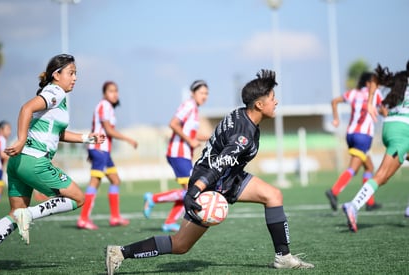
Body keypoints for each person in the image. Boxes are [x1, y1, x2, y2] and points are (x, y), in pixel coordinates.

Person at [105, 69, 314, 274]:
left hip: (228, 177)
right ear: (259, 104)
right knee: (180, 245)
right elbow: (220, 164)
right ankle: (120, 252)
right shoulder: (244, 135)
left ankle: (283, 257)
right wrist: (195, 191)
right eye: (272, 98)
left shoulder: (243, 115)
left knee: (273, 195)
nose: (276, 102)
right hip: (210, 182)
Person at [0, 54, 105, 248]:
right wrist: (20, 139)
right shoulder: (56, 92)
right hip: (34, 161)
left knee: (14, 213)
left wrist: (87, 138)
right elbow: (26, 108)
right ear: (56, 74)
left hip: (18, 162)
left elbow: (58, 134)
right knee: (78, 198)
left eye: (76, 73)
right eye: (71, 73)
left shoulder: (54, 96)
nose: (75, 78)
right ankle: (27, 215)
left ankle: (23, 215)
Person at [343, 60, 409, 232]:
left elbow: (375, 78)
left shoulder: (401, 79)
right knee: (381, 175)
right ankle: (353, 205)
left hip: (390, 127)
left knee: (384, 177)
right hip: (402, 132)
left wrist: (371, 102)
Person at [143, 80, 209, 232]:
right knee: (190, 190)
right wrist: (190, 140)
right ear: (193, 93)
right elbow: (173, 123)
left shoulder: (194, 110)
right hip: (178, 153)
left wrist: (211, 137)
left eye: (206, 93)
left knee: (189, 190)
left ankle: (170, 222)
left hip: (183, 154)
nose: (204, 96)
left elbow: (192, 133)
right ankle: (152, 198)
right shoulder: (189, 105)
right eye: (202, 92)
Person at [77, 81, 138, 230]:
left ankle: (115, 217)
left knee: (115, 180)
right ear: (105, 93)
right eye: (111, 91)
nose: (115, 93)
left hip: (104, 151)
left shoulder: (108, 107)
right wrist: (128, 139)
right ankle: (83, 219)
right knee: (95, 182)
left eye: (116, 91)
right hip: (99, 149)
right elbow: (109, 131)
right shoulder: (104, 105)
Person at [325, 72, 386, 211]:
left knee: (369, 167)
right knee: (353, 168)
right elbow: (383, 110)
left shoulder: (353, 93)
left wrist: (336, 119)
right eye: (376, 82)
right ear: (369, 83)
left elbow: (334, 101)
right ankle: (334, 191)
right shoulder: (375, 94)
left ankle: (370, 203)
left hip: (351, 134)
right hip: (363, 136)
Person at [0, 121, 12, 220]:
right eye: (8, 129)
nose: (10, 132)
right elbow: (3, 155)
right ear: (1, 130)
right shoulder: (2, 139)